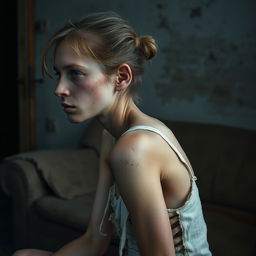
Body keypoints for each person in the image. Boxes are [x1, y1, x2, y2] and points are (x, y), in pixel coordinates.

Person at [13, 12, 211, 256]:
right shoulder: (111, 137)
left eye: (75, 73)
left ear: (121, 77)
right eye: (59, 74)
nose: (59, 89)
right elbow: (94, 241)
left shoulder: (136, 147)